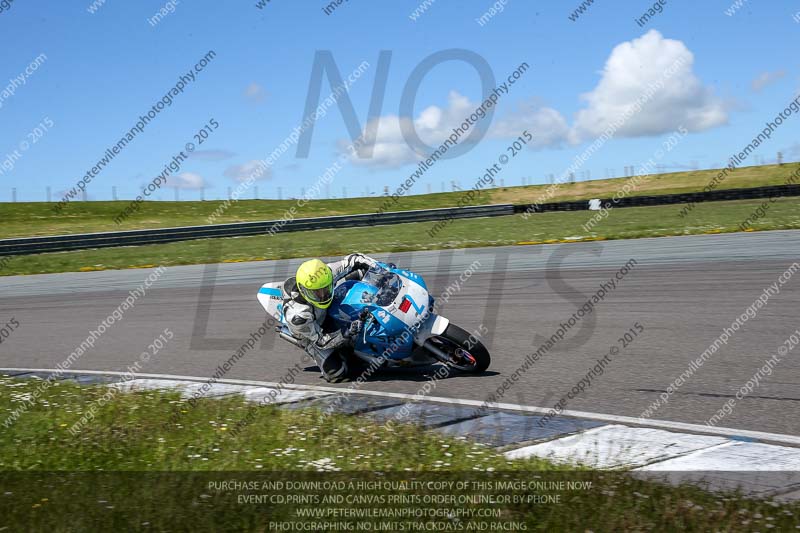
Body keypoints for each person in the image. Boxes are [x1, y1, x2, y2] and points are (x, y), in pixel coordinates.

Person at [282, 253, 380, 382]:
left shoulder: (324, 274)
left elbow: (354, 259)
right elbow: (322, 341)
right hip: (313, 333)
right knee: (336, 373)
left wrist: (379, 268)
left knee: (360, 273)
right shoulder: (299, 316)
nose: (322, 295)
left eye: (325, 289)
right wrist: (347, 332)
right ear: (304, 291)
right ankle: (346, 353)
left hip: (326, 311)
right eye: (316, 293)